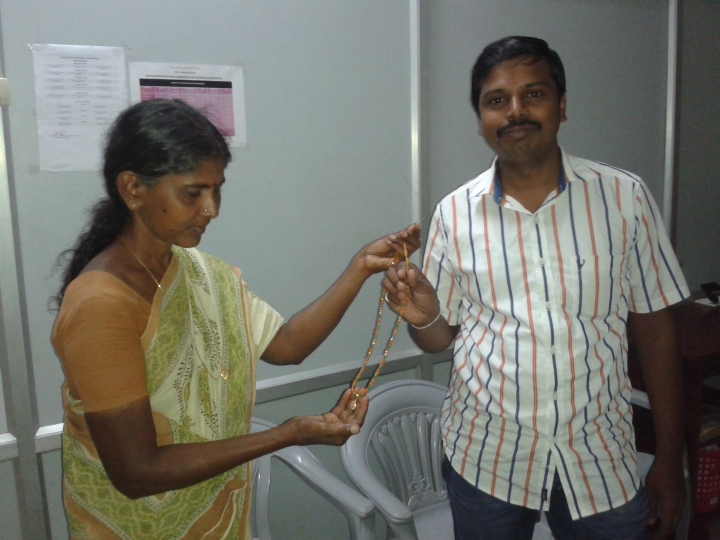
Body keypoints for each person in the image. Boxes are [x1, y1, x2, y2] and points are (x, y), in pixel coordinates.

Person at [51, 99, 420, 539]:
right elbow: (136, 473)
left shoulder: (201, 273)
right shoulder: (100, 304)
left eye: (217, 189)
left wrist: (359, 267)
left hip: (216, 520)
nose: (212, 209)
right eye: (193, 192)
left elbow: (288, 345)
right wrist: (287, 434)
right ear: (132, 190)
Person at [383, 36, 688, 539]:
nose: (515, 112)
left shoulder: (624, 198)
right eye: (496, 100)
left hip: (600, 458)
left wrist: (670, 458)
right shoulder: (454, 214)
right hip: (488, 459)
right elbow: (441, 339)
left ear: (562, 106)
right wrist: (424, 317)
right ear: (481, 117)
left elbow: (656, 328)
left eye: (534, 94)